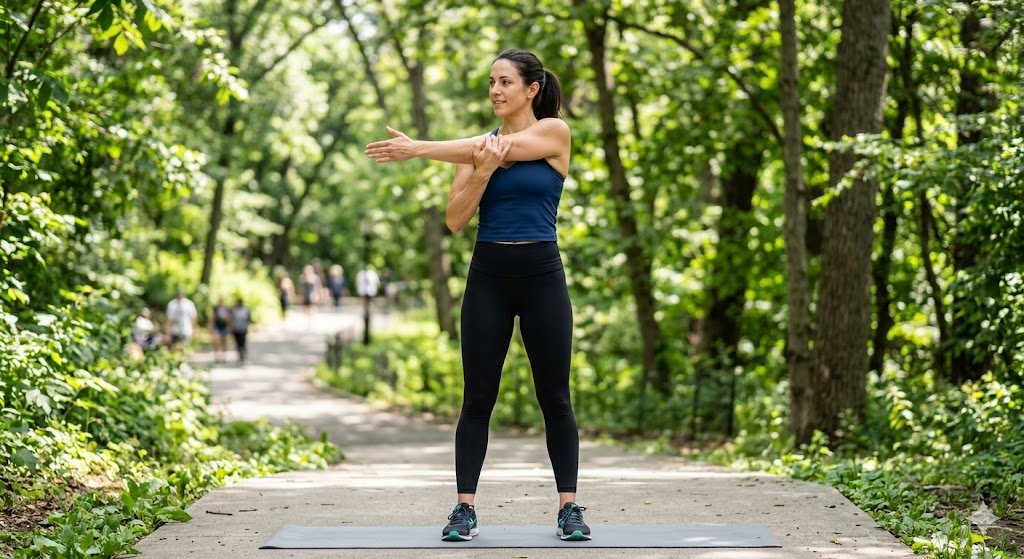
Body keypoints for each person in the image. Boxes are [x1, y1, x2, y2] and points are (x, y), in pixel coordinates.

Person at [365, 49, 589, 542]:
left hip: (542, 276)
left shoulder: (555, 132)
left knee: (555, 396)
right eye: (491, 81)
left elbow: (504, 148)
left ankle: (569, 508)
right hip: (488, 276)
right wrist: (481, 171)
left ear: (531, 89)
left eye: (505, 81)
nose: (495, 90)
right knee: (477, 398)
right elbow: (455, 219)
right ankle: (465, 508)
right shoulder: (473, 153)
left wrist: (420, 148)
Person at [229, 297, 251, 364]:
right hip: (236, 329)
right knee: (237, 344)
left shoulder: (246, 310)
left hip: (243, 329)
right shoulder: (233, 310)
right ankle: (239, 356)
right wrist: (231, 328)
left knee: (242, 343)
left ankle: (242, 356)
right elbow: (231, 319)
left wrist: (249, 327)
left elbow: (249, 319)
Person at [209, 298, 230, 362]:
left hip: (224, 327)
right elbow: (212, 318)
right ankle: (217, 356)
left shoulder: (227, 310)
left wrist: (230, 327)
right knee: (216, 341)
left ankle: (223, 356)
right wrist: (210, 327)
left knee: (224, 342)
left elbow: (229, 319)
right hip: (217, 327)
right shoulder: (215, 309)